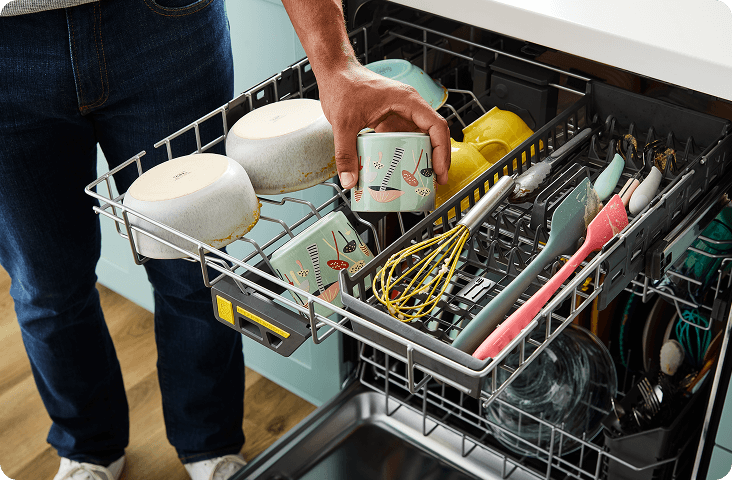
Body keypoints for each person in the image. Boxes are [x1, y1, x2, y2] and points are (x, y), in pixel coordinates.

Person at [0, 1, 449, 479]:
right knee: (45, 288)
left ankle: (207, 444)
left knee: (193, 272)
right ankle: (87, 449)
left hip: (163, 23)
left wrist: (337, 65)